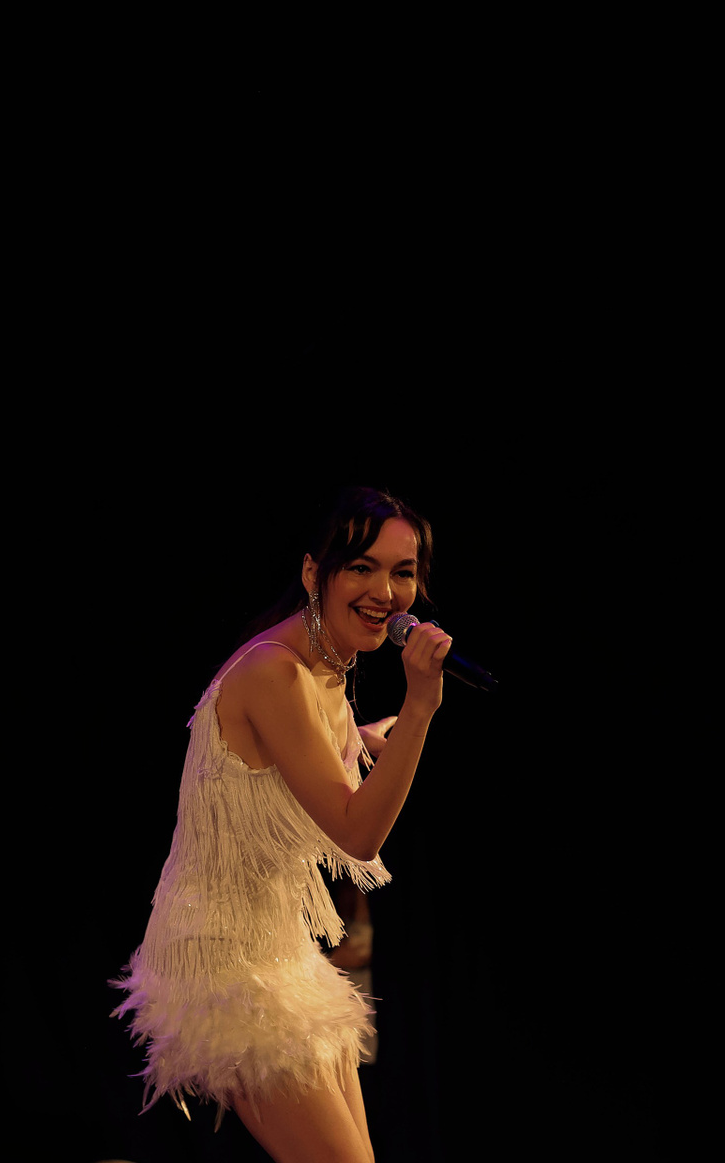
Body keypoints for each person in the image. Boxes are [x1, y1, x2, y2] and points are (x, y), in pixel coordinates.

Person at [111, 486, 452, 1162]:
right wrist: (419, 708)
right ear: (312, 572)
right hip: (221, 964)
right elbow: (356, 836)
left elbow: (273, 775)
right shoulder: (275, 670)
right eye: (361, 567)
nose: (385, 592)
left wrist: (358, 742)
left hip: (279, 951)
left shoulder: (327, 666)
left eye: (403, 572)